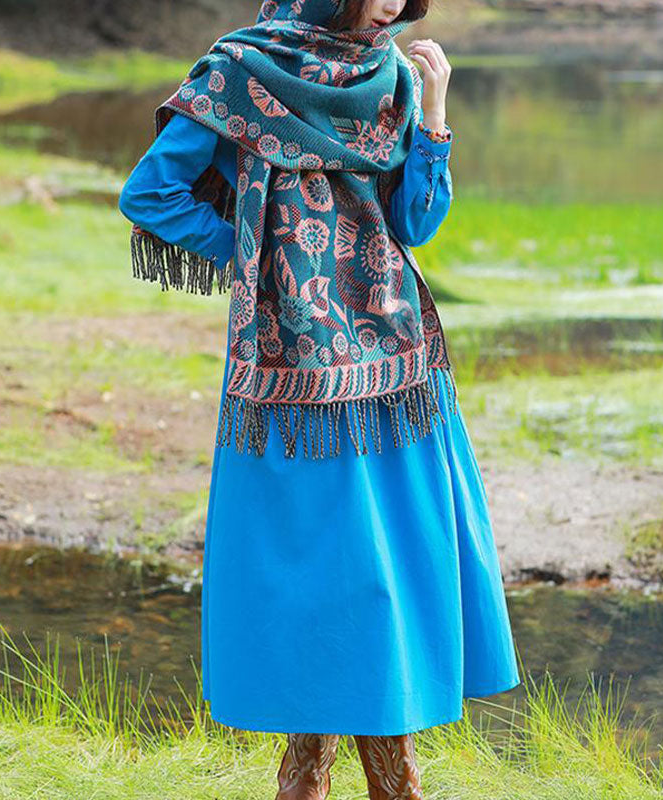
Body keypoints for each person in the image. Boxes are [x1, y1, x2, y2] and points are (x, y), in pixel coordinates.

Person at [118, 0, 520, 796]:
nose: (392, 2)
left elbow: (416, 222)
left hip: (396, 364)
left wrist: (436, 114)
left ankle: (316, 780)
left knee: (382, 572)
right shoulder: (241, 69)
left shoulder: (391, 76)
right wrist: (257, 254)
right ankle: (379, 784)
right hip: (290, 373)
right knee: (329, 577)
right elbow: (151, 194)